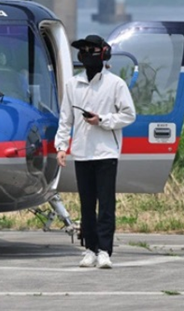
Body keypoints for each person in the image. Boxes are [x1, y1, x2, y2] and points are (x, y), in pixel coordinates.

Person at [55, 34, 136, 269]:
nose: (86, 54)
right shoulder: (73, 84)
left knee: (106, 205)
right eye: (83, 50)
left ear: (103, 53)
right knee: (87, 204)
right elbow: (65, 118)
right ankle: (89, 249)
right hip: (81, 152)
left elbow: (129, 115)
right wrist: (61, 147)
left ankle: (104, 251)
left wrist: (103, 120)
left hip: (106, 152)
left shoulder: (115, 84)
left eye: (92, 49)